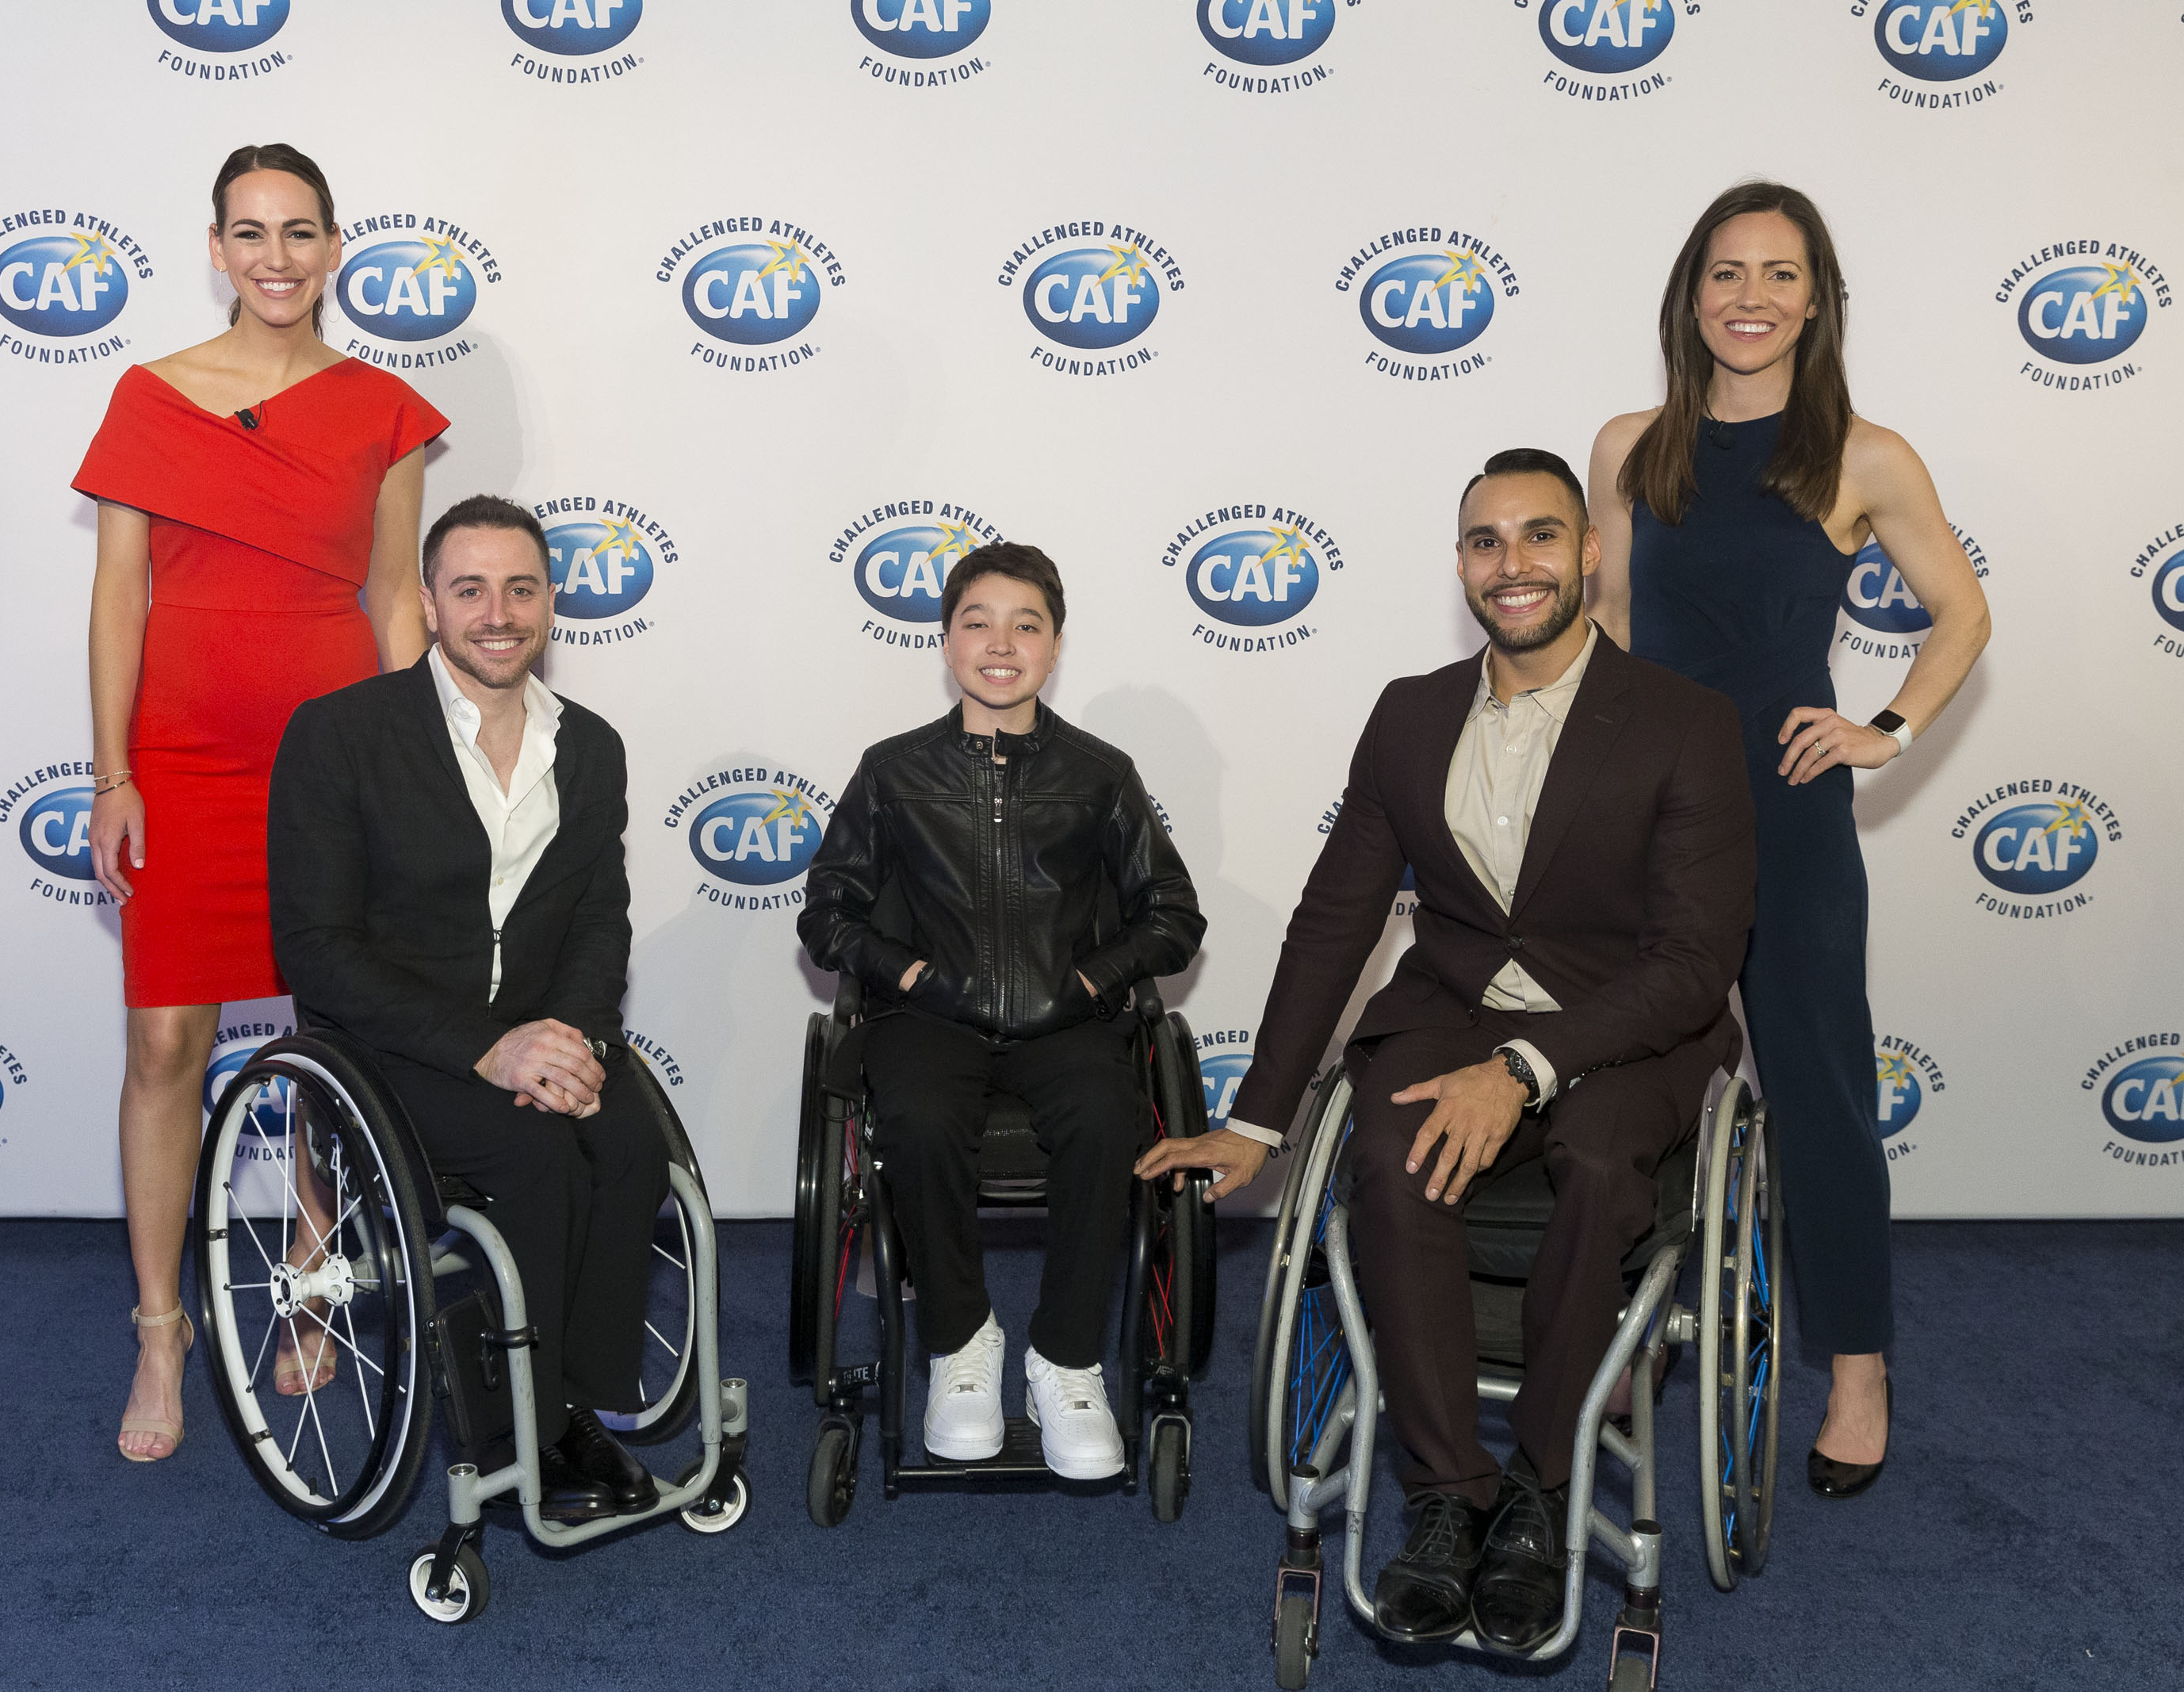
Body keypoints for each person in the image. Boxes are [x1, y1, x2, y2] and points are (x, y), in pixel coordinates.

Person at [1140, 450, 1756, 1651]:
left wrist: (1528, 1069)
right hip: (1458, 998)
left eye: (1539, 537)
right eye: (1485, 541)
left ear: (1588, 554)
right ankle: (1445, 1493)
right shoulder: (1410, 712)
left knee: (1595, 1158)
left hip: (1629, 1020)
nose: (1511, 563)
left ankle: (1540, 1483)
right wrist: (1260, 1116)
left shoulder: (1686, 723)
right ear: (1462, 564)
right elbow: (1337, 918)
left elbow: (1691, 963)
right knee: (1389, 1147)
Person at [1587, 181, 1991, 1499]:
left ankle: (1858, 1368)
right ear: (1689, 295)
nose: (1750, 297)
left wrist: (1888, 725)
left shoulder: (1863, 455)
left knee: (1819, 1095)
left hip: (1788, 806)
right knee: (1622, 1078)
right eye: (1726, 272)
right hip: (1648, 808)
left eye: (1778, 273)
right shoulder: (1628, 445)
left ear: (1816, 300)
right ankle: (1630, 1323)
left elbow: (1962, 614)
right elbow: (1600, 621)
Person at [75, 143, 448, 1463]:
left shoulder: (387, 410)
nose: (277, 256)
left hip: (335, 762)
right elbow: (121, 594)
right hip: (180, 760)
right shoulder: (149, 398)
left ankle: (311, 1269)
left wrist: (425, 771)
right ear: (219, 249)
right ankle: (163, 1324)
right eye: (251, 232)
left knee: (334, 1039)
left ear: (335, 247)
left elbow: (396, 598)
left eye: (300, 231)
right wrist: (115, 771)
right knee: (168, 1045)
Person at [267, 495, 668, 1523]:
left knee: (625, 1143)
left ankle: (574, 1400)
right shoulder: (339, 734)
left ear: (549, 604)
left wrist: (572, 1036)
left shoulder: (592, 746)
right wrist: (490, 1048)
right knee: (531, 1156)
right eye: (472, 588)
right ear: (432, 604)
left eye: (522, 588)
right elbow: (316, 949)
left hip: (544, 1029)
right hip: (398, 1046)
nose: (500, 611)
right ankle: (508, 1432)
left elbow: (597, 916)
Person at [797, 542, 1207, 1482]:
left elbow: (1174, 916)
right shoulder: (892, 771)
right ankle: (960, 1343)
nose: (1000, 642)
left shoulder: (1101, 774)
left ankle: (1064, 1359)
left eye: (1026, 624)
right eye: (978, 621)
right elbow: (826, 912)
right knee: (918, 1118)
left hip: (1065, 1017)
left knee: (1107, 1120)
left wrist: (1092, 982)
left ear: (1054, 646)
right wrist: (907, 978)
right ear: (946, 641)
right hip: (931, 1018)